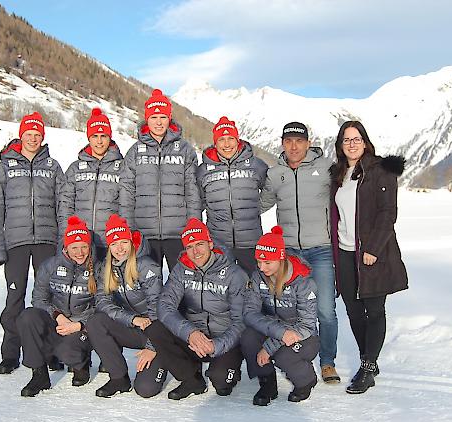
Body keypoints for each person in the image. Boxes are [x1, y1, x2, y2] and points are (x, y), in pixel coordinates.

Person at [329, 120, 408, 394]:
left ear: (365, 141)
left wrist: (372, 249)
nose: (351, 144)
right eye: (346, 140)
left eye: (356, 139)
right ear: (340, 145)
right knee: (353, 310)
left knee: (374, 311)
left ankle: (368, 366)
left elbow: (388, 214)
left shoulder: (381, 171)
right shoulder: (338, 174)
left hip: (373, 253)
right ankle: (369, 359)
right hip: (345, 251)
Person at [260, 122, 340, 383]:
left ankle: (327, 362)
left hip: (322, 249)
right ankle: (294, 353)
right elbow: (261, 203)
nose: (294, 146)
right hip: (290, 253)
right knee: (288, 309)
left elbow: (347, 194)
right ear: (282, 144)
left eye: (299, 141)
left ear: (308, 143)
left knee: (325, 309)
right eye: (288, 141)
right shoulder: (275, 174)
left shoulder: (326, 168)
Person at [0, 112, 65, 375]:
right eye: (28, 135)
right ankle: (10, 354)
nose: (33, 139)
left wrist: (63, 244)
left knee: (50, 297)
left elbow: (62, 207)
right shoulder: (5, 167)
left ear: (42, 137)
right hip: (16, 243)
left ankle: (51, 351)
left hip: (47, 240)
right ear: (21, 136)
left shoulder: (53, 166)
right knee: (14, 298)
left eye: (37, 135)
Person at [146, 218, 247, 400]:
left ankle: (227, 369)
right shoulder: (180, 270)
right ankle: (192, 379)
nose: (195, 251)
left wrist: (216, 345)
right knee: (155, 328)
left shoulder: (235, 274)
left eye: (200, 244)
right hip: (193, 336)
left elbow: (241, 322)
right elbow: (164, 306)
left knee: (222, 384)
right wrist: (190, 332)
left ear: (210, 244)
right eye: (190, 247)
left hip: (223, 338)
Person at [119, 89, 201, 271]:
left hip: (178, 232)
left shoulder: (184, 149)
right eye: (154, 117)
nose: (158, 122)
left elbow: (192, 190)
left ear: (169, 119)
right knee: (148, 286)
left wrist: (194, 225)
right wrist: (129, 229)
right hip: (144, 232)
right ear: (147, 118)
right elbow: (127, 191)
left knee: (183, 284)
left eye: (163, 117)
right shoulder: (134, 152)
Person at [86, 214, 167, 398]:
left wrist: (152, 347)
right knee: (96, 321)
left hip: (159, 333)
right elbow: (102, 301)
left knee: (145, 389)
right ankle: (118, 378)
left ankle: (166, 359)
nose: (119, 249)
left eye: (123, 242)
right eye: (114, 244)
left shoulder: (146, 265)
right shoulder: (107, 268)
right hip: (136, 327)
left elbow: (159, 308)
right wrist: (132, 319)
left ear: (131, 242)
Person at [16, 216, 97, 397]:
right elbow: (39, 299)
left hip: (82, 327)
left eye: (84, 246)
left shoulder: (98, 268)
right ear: (66, 247)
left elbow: (102, 306)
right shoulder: (50, 266)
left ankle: (80, 363)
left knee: (67, 353)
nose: (79, 252)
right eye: (74, 247)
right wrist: (58, 316)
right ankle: (39, 374)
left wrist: (78, 325)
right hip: (58, 321)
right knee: (28, 316)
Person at [242, 226, 320, 405]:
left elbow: (306, 325)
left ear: (281, 258)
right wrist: (279, 334)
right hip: (274, 328)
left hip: (303, 335)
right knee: (248, 337)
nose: (262, 268)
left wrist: (269, 346)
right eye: (259, 262)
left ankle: (306, 380)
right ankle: (267, 383)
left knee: (283, 355)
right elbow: (249, 313)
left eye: (267, 263)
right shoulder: (257, 277)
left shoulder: (303, 283)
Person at [196, 116, 268, 273]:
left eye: (231, 138)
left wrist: (256, 208)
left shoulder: (256, 165)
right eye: (222, 139)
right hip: (218, 243)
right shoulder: (203, 170)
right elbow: (198, 202)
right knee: (222, 292)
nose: (227, 144)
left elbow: (271, 190)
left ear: (238, 140)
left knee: (252, 289)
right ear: (215, 143)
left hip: (251, 242)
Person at [59, 107, 124, 261]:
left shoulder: (122, 167)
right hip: (82, 244)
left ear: (110, 138)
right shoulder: (75, 168)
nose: (99, 141)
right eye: (95, 136)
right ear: (89, 138)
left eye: (103, 136)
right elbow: (65, 205)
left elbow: (127, 205)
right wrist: (66, 237)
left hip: (111, 243)